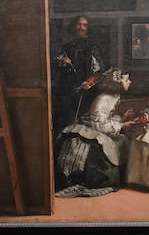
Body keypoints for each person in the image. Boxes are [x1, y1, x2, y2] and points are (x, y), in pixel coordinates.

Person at [54, 69, 131, 198]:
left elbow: (105, 117)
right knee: (113, 142)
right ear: (117, 82)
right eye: (126, 79)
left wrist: (122, 120)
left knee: (121, 140)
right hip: (92, 132)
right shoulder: (105, 98)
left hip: (97, 126)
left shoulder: (113, 95)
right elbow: (98, 124)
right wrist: (122, 125)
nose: (130, 82)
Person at [53, 16, 102, 133]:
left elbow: (100, 70)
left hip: (86, 91)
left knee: (83, 124)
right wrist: (62, 63)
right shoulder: (67, 46)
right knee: (66, 123)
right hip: (67, 90)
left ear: (88, 28)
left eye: (84, 25)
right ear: (74, 26)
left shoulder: (93, 47)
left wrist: (90, 82)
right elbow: (56, 66)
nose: (81, 28)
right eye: (79, 24)